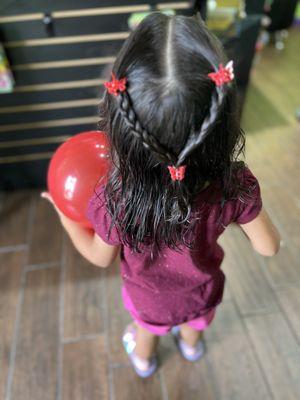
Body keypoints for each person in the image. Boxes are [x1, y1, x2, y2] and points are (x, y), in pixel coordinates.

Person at [42, 12, 280, 378]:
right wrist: (231, 214)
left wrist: (64, 214)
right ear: (222, 117)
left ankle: (143, 361)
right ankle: (190, 346)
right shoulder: (235, 185)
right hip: (202, 293)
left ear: (121, 122)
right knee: (194, 323)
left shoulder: (115, 198)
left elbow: (98, 257)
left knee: (146, 331)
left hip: (148, 301)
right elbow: (268, 247)